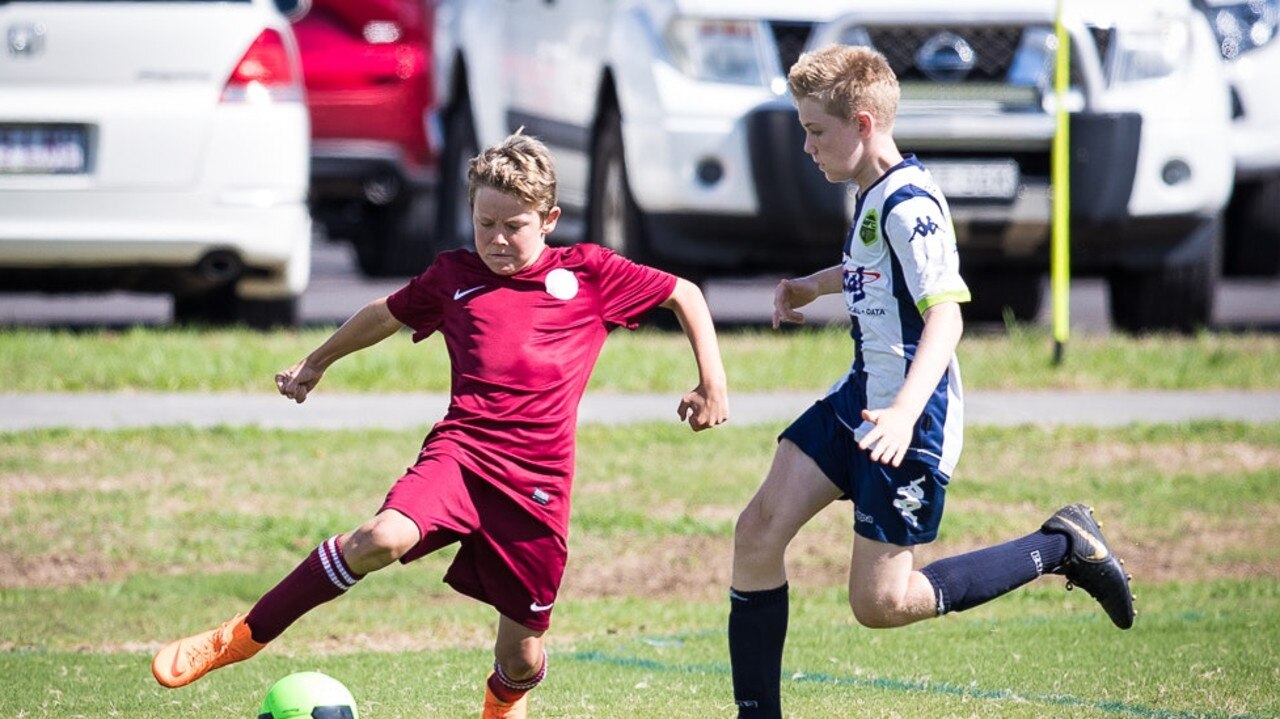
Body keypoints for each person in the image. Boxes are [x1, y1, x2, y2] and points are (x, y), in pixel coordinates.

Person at [151, 131, 730, 719]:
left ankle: (501, 703)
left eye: (515, 226)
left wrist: (713, 381)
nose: (498, 240)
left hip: (537, 487)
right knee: (379, 538)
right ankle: (243, 635)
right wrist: (316, 361)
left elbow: (684, 293)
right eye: (485, 224)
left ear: (550, 219)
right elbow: (385, 314)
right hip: (461, 456)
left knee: (523, 661)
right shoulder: (455, 275)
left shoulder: (589, 274)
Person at [726, 45, 1135, 718]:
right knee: (758, 530)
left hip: (909, 418)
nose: (806, 146)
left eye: (815, 131)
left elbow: (945, 317)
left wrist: (905, 413)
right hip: (860, 398)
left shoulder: (912, 205)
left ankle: (1062, 544)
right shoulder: (873, 193)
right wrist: (812, 286)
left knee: (880, 603)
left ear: (862, 124)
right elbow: (869, 268)